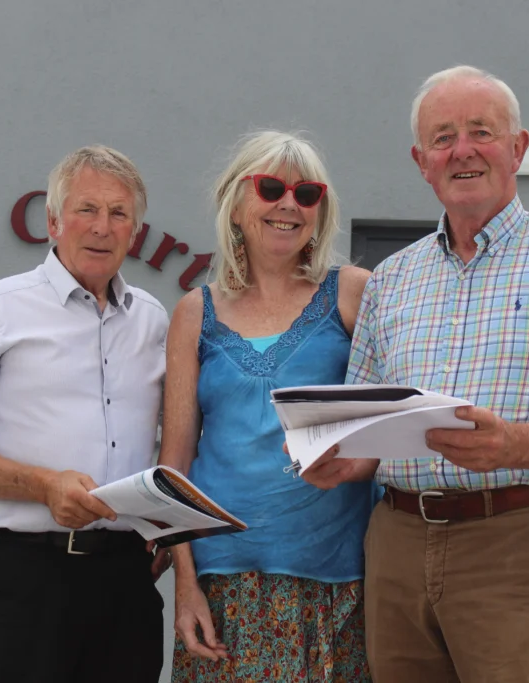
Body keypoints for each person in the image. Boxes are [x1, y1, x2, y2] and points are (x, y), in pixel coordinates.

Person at [302, 65, 529, 683]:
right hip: (399, 543)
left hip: (518, 541)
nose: (461, 149)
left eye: (480, 132)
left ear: (517, 148)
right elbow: (365, 431)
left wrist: (512, 444)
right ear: (422, 160)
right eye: (443, 137)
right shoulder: (391, 280)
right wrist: (339, 459)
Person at [0, 145, 171, 683]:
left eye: (119, 213)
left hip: (126, 584)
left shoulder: (153, 321)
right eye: (86, 210)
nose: (102, 227)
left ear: (136, 231)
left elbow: (172, 437)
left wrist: (165, 526)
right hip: (21, 581)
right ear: (53, 221)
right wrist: (44, 485)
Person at [159, 130, 374, 682]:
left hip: (337, 579)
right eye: (271, 187)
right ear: (235, 205)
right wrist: (185, 583)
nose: (289, 205)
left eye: (307, 194)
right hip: (222, 584)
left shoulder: (355, 294)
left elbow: (393, 421)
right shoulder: (193, 313)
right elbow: (173, 465)